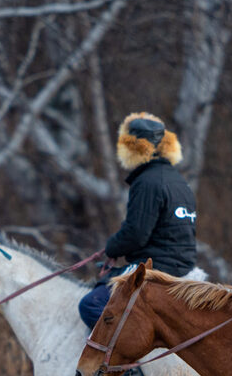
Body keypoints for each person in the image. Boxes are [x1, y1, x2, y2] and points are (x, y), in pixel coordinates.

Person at [77, 112, 200, 331]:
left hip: (156, 268)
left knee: (90, 305)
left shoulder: (146, 182)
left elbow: (136, 233)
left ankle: (131, 364)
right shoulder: (179, 180)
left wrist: (111, 249)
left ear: (132, 147)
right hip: (184, 266)